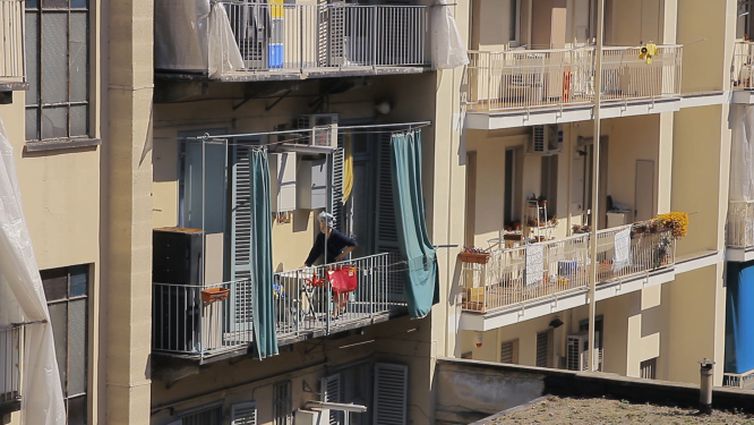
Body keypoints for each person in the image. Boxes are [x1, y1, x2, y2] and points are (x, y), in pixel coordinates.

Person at [304, 211, 357, 318]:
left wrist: (342, 256)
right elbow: (316, 250)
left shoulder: (336, 235)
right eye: (320, 223)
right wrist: (307, 263)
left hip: (339, 264)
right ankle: (339, 308)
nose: (321, 225)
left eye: (323, 223)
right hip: (329, 265)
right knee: (334, 288)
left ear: (328, 225)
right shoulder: (321, 237)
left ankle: (336, 311)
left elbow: (352, 244)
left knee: (337, 288)